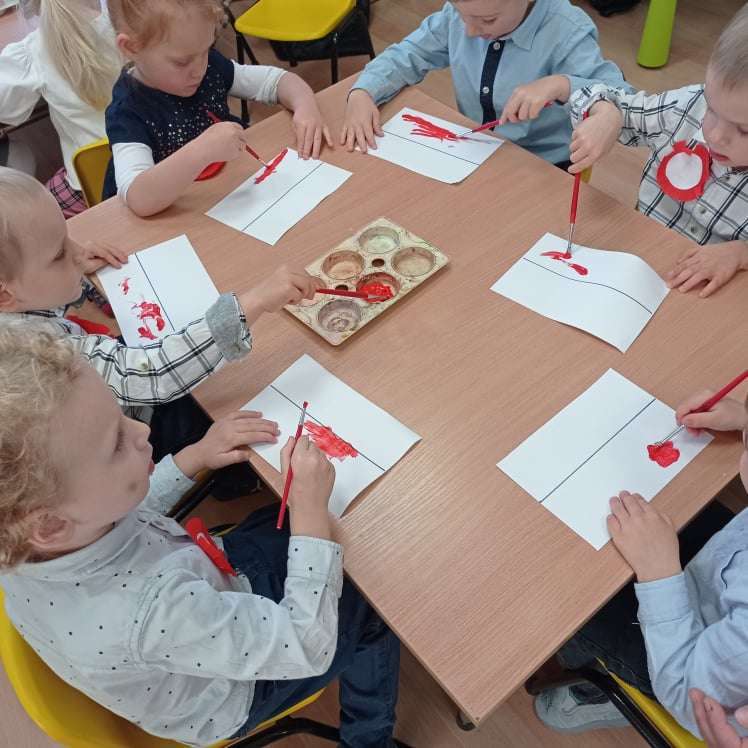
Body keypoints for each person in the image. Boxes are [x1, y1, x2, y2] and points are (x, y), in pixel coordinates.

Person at [0, 325, 403, 746]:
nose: (141, 431)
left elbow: (122, 510)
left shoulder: (41, 532)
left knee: (288, 520)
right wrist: (309, 514)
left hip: (209, 580)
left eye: (121, 415)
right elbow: (305, 646)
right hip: (236, 690)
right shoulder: (152, 612)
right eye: (116, 442)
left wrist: (196, 455)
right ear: (49, 525)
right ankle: (367, 739)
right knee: (372, 599)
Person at [536, 388, 748, 739]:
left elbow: (689, 696)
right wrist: (743, 419)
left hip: (684, 673)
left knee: (571, 600)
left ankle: (590, 692)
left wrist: (658, 572)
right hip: (717, 577)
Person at [568, 3, 748, 298]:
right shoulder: (687, 106)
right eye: (712, 110)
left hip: (717, 298)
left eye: (744, 130)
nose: (715, 135)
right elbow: (605, 100)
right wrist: (606, 113)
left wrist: (741, 254)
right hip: (643, 260)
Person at [103, 0, 333, 216]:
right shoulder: (128, 112)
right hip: (178, 219)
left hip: (232, 192)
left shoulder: (204, 62)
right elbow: (139, 198)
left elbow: (275, 81)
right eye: (182, 62)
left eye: (207, 49)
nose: (199, 69)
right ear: (131, 47)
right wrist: (201, 151)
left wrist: (304, 105)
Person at [341, 0, 629, 168]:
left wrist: (565, 86)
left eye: (488, 20)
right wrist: (364, 91)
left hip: (545, 165)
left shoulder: (566, 31)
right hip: (476, 149)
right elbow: (410, 53)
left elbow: (620, 95)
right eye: (461, 15)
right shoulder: (465, 13)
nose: (469, 30)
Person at [0, 0, 120, 216]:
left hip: (95, 184)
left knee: (37, 214)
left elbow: (4, 109)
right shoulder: (133, 20)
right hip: (161, 159)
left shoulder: (34, 51)